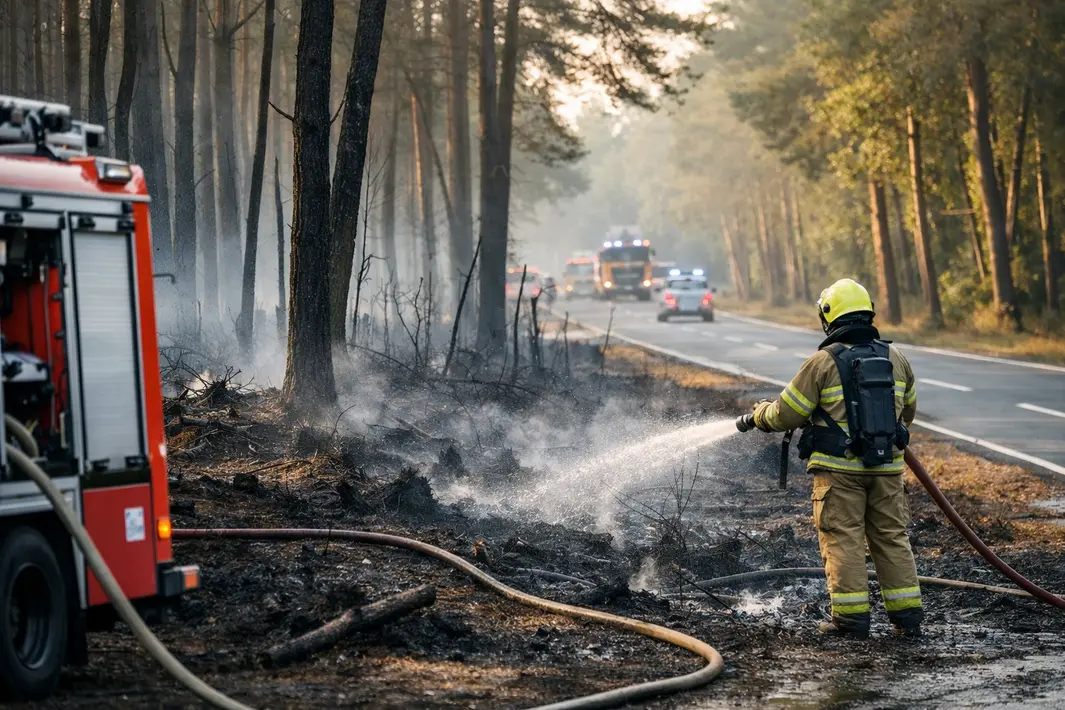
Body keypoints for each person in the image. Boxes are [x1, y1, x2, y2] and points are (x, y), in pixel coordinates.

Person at [738, 278, 922, 639]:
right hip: (887, 470)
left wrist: (758, 414)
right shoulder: (896, 358)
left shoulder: (822, 362)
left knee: (843, 539)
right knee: (892, 538)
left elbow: (785, 414)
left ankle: (851, 621)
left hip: (839, 475)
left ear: (828, 317)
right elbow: (909, 412)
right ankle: (908, 618)